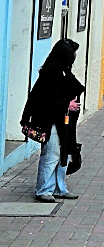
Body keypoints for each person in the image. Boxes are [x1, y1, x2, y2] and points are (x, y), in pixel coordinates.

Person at [21, 39, 85, 203]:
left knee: (62, 153)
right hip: (51, 121)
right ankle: (44, 190)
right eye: (73, 52)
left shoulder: (62, 69)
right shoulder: (53, 70)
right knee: (52, 154)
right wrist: (67, 104)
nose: (75, 56)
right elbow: (45, 97)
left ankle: (59, 188)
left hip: (63, 121)